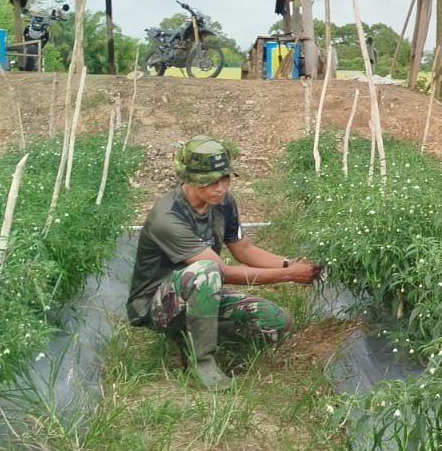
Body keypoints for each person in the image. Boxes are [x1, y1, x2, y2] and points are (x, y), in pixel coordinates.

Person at [127, 136, 321, 390]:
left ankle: (190, 337)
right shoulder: (168, 217)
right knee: (206, 272)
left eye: (225, 179)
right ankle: (200, 363)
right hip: (157, 305)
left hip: (203, 292)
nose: (220, 187)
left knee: (276, 322)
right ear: (189, 179)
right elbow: (223, 272)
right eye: (210, 181)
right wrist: (290, 275)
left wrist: (289, 263)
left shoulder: (223, 202)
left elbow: (244, 249)